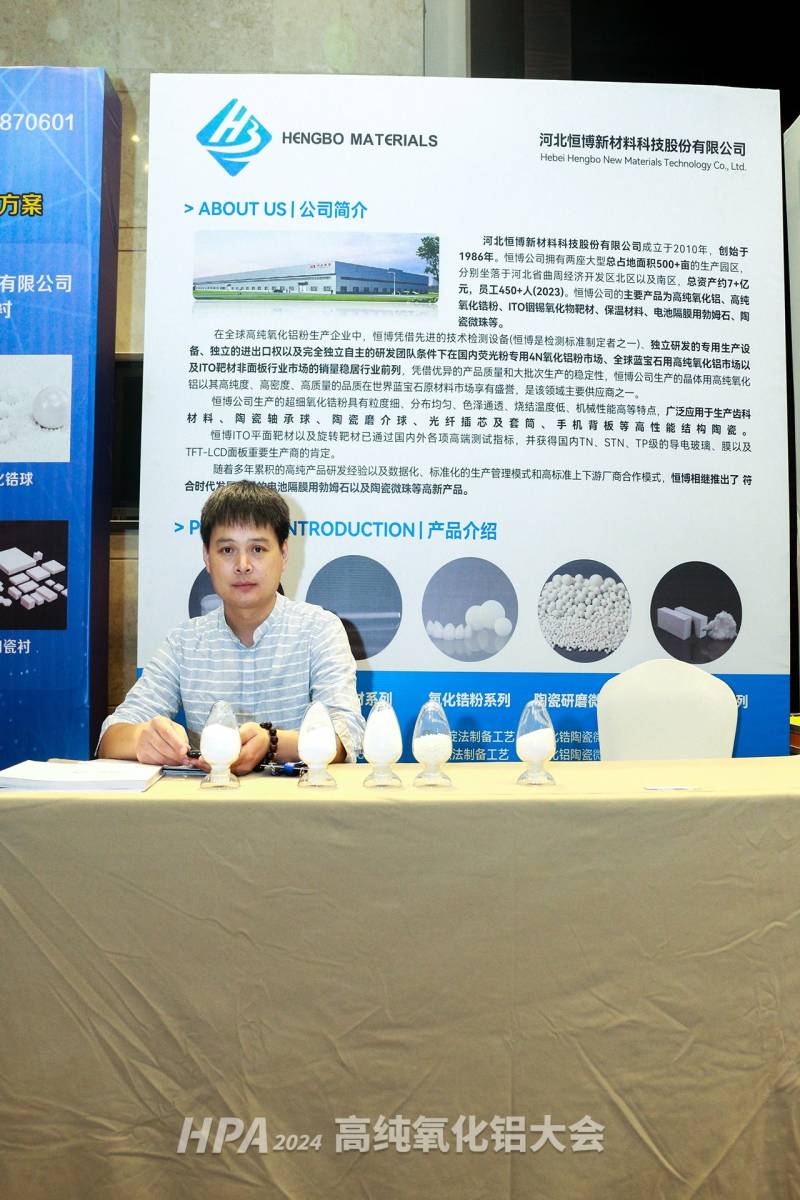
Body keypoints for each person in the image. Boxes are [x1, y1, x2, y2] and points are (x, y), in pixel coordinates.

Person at [98, 481, 364, 773]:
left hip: (300, 799)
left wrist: (271, 742)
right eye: (227, 550)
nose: (243, 565)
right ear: (207, 557)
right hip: (208, 798)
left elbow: (346, 736)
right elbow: (110, 737)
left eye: (258, 549)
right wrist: (142, 738)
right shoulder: (184, 642)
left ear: (284, 553)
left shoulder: (320, 629)